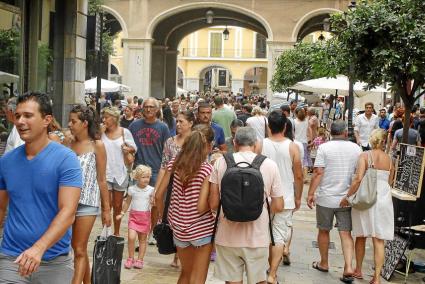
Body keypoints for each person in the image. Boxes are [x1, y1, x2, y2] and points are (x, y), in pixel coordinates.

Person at [0, 92, 82, 283]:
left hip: (54, 262)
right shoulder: (6, 161)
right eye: (18, 115)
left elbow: (68, 212)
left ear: (47, 120)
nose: (20, 121)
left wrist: (39, 248)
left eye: (28, 116)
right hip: (12, 259)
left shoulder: (66, 159)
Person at [208, 127, 284, 284]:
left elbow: (214, 204)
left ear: (235, 143)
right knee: (259, 280)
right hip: (258, 237)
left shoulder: (220, 163)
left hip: (227, 237)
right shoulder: (269, 165)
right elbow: (279, 206)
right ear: (256, 143)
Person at [156, 127, 215, 284]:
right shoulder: (207, 169)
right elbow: (201, 207)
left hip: (179, 228)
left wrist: (165, 216)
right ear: (204, 147)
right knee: (198, 277)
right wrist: (215, 203)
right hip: (202, 229)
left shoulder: (174, 164)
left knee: (186, 273)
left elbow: (158, 195)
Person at [307, 120, 361, 282]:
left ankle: (324, 263)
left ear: (331, 132)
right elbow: (358, 175)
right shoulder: (356, 149)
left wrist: (310, 193)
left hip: (326, 198)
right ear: (345, 133)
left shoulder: (324, 147)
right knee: (345, 233)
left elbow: (318, 172)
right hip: (346, 199)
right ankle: (348, 267)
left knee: (324, 230)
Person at [340, 129, 394, 284]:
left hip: (366, 198)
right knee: (379, 239)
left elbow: (357, 179)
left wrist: (348, 197)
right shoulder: (390, 160)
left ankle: (358, 270)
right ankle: (377, 277)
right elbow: (390, 182)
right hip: (383, 199)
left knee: (361, 235)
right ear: (384, 141)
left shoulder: (364, 156)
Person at [68, 104, 111, 284]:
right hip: (67, 202)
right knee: (77, 249)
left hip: (88, 202)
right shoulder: (67, 143)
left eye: (73, 121)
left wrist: (106, 209)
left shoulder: (97, 145)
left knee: (78, 248)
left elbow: (102, 179)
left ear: (84, 123)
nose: (69, 124)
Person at [259, 110, 303, 283]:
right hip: (285, 198)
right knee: (278, 236)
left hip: (263, 198)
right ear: (285, 126)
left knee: (263, 234)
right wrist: (298, 197)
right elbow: (299, 176)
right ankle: (272, 273)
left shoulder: (260, 144)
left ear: (268, 126)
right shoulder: (293, 147)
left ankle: (264, 268)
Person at [155, 110, 195, 267]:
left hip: (191, 186)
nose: (178, 124)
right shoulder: (170, 142)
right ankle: (177, 254)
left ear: (191, 123)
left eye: (181, 122)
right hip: (172, 186)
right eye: (177, 121)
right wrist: (158, 189)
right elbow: (164, 167)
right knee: (173, 218)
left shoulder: (196, 141)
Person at [129, 97, 170, 244]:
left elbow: (167, 150)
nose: (148, 109)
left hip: (156, 170)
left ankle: (151, 230)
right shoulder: (134, 126)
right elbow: (130, 146)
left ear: (157, 109)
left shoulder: (163, 127)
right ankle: (140, 230)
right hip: (139, 169)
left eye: (152, 107)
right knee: (139, 203)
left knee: (154, 202)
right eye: (146, 106)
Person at [101, 106, 137, 236]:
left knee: (117, 206)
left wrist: (128, 150)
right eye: (103, 117)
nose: (104, 119)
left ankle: (116, 233)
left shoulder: (124, 132)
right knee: (106, 205)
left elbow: (134, 148)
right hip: (105, 173)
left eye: (106, 117)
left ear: (114, 118)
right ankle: (105, 231)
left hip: (120, 173)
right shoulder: (101, 132)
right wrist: (99, 133)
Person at [118, 165, 154, 270]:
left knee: (143, 240)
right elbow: (127, 202)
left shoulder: (151, 190)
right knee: (131, 237)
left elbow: (155, 204)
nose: (146, 179)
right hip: (134, 218)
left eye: (148, 177)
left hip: (145, 218)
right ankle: (130, 258)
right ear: (137, 178)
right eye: (143, 177)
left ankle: (140, 260)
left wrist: (154, 202)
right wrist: (122, 212)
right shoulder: (132, 189)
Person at [294, 108, 312, 182]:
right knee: (305, 160)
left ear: (296, 114)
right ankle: (305, 177)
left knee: (296, 159)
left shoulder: (294, 121)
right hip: (304, 142)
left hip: (296, 142)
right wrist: (310, 140)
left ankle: (297, 176)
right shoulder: (306, 121)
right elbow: (309, 131)